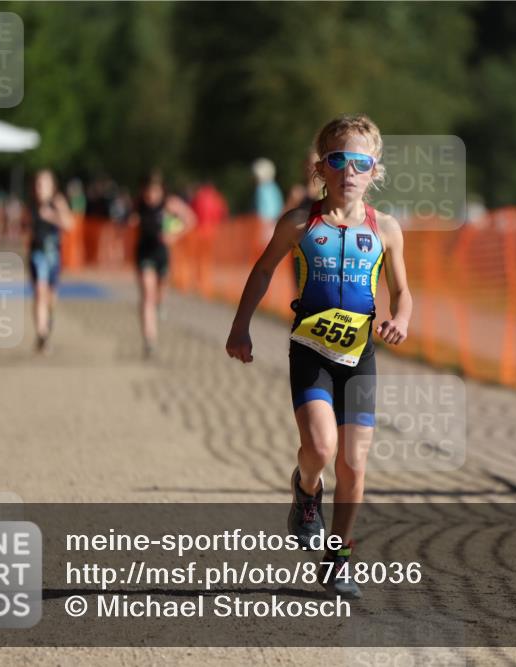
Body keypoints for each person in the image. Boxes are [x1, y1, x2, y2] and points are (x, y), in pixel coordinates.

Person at [226, 114, 413, 599]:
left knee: (355, 461)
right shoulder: (299, 222)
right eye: (338, 160)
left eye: (360, 162)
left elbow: (402, 291)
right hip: (310, 350)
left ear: (375, 170)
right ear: (320, 168)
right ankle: (307, 489)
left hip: (359, 355)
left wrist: (402, 318)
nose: (349, 171)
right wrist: (240, 325)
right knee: (323, 450)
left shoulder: (387, 229)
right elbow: (264, 271)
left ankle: (340, 557)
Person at [130, 170, 197, 359]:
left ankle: (159, 305)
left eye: (155, 191)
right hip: (144, 253)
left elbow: (191, 219)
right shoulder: (138, 204)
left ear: (161, 191)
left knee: (159, 293)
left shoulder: (169, 204)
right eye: (148, 191)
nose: (151, 195)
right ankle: (149, 340)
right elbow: (126, 221)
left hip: (162, 254)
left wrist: (174, 236)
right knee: (147, 294)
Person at [28, 169, 74, 354]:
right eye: (38, 184)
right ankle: (42, 335)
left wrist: (52, 216)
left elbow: (70, 225)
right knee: (40, 292)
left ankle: (47, 321)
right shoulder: (31, 204)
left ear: (52, 186)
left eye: (44, 184)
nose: (40, 188)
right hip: (36, 254)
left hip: (53, 255)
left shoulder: (58, 202)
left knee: (50, 298)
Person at [252, 158, 284, 224]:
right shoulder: (274, 187)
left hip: (266, 226)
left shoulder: (261, 188)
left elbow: (262, 213)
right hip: (275, 224)